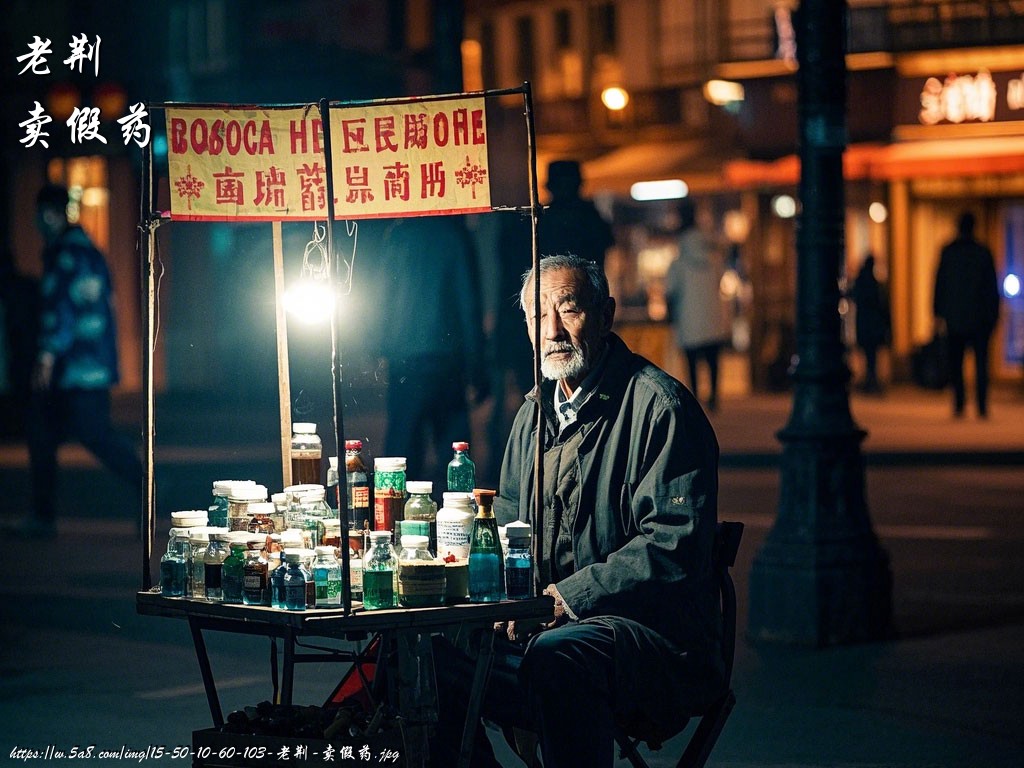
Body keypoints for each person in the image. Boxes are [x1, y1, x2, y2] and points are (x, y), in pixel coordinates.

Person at [430, 253, 724, 768]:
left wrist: (567, 598)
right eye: (538, 317)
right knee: (418, 654)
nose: (554, 330)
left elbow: (673, 545)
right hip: (543, 626)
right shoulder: (532, 415)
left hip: (649, 642)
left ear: (606, 314)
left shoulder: (660, 408)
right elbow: (506, 522)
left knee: (559, 659)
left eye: (569, 309)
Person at [6, 184, 143, 538]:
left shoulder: (65, 254)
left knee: (84, 433)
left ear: (49, 213)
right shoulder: (85, 250)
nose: (37, 223)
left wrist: (47, 355)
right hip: (90, 365)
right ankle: (44, 513)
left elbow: (61, 309)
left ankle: (146, 484)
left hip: (76, 367)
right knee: (53, 434)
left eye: (39, 215)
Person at [377, 215, 488, 493]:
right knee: (454, 458)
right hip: (446, 360)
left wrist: (379, 344)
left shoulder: (399, 234)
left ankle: (397, 523)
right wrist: (477, 365)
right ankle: (456, 526)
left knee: (401, 454)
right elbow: (468, 304)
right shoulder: (455, 235)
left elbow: (383, 296)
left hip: (405, 358)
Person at [665, 197, 731, 412]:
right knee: (713, 360)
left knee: (691, 361)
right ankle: (714, 398)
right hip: (712, 314)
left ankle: (694, 397)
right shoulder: (714, 258)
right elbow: (721, 281)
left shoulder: (679, 262)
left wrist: (670, 314)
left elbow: (670, 290)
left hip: (688, 316)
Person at [933, 211, 1000, 418]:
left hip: (956, 318)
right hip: (979, 319)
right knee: (981, 364)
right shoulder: (982, 253)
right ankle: (981, 405)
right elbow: (991, 288)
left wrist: (938, 313)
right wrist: (993, 316)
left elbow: (939, 284)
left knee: (957, 364)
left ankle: (959, 403)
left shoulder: (949, 252)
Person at [536, 159, 614, 271]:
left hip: (585, 280)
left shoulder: (589, 216)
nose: (565, 190)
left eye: (567, 184)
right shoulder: (544, 217)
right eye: (561, 184)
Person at [851, 253, 890, 394]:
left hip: (866, 324)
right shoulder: (873, 283)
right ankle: (870, 380)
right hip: (872, 325)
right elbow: (882, 305)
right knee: (871, 356)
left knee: (869, 356)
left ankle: (870, 380)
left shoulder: (862, 282)